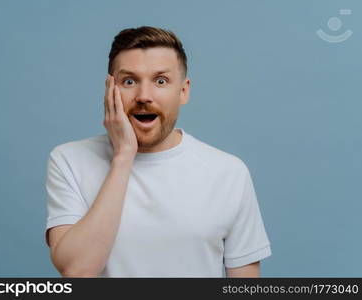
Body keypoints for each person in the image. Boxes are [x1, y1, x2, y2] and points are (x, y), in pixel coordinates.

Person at [44, 26, 272, 278]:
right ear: (110, 90)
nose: (144, 96)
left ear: (183, 91)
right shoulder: (69, 160)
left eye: (160, 81)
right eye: (129, 81)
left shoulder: (229, 172)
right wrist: (123, 156)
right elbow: (77, 271)